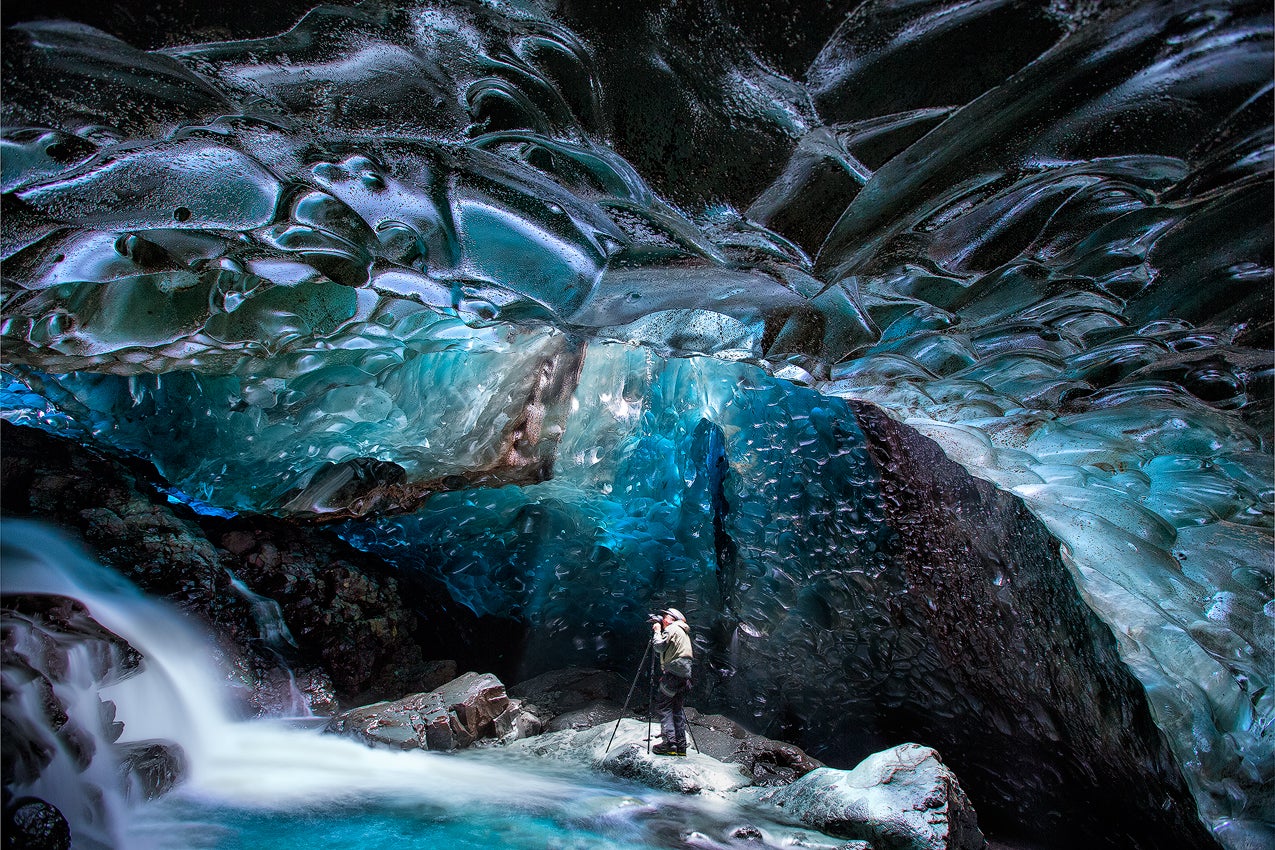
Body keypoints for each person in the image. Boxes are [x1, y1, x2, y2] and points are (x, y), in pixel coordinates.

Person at [650, 607, 693, 756]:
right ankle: (681, 747)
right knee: (676, 708)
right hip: (684, 676)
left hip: (673, 674)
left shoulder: (673, 628)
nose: (663, 619)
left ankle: (669, 743)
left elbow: (659, 646)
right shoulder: (683, 632)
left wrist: (656, 631)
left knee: (664, 707)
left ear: (673, 619)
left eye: (665, 616)